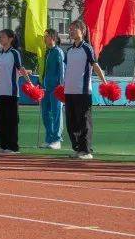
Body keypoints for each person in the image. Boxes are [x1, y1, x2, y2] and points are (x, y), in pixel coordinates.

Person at [63, 19, 107, 159]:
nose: (71, 31)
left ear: (82, 31)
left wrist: (104, 82)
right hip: (69, 91)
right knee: (71, 123)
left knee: (83, 121)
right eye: (70, 29)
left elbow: (95, 65)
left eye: (74, 28)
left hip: (82, 91)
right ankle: (77, 149)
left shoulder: (87, 48)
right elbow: (67, 69)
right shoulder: (69, 50)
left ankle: (86, 150)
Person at [0, 29, 30, 155]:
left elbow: (21, 69)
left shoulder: (14, 53)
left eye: (3, 36)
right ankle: (3, 145)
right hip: (0, 92)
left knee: (11, 120)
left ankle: (13, 147)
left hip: (11, 92)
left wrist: (29, 83)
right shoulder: (0, 54)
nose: (1, 38)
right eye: (0, 36)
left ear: (10, 39)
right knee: (0, 120)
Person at [40, 29, 65, 149]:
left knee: (56, 113)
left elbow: (62, 70)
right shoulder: (48, 52)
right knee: (45, 113)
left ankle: (57, 139)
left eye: (47, 36)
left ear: (53, 38)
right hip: (46, 88)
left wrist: (61, 86)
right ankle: (49, 138)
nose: (44, 38)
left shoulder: (58, 52)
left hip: (56, 87)